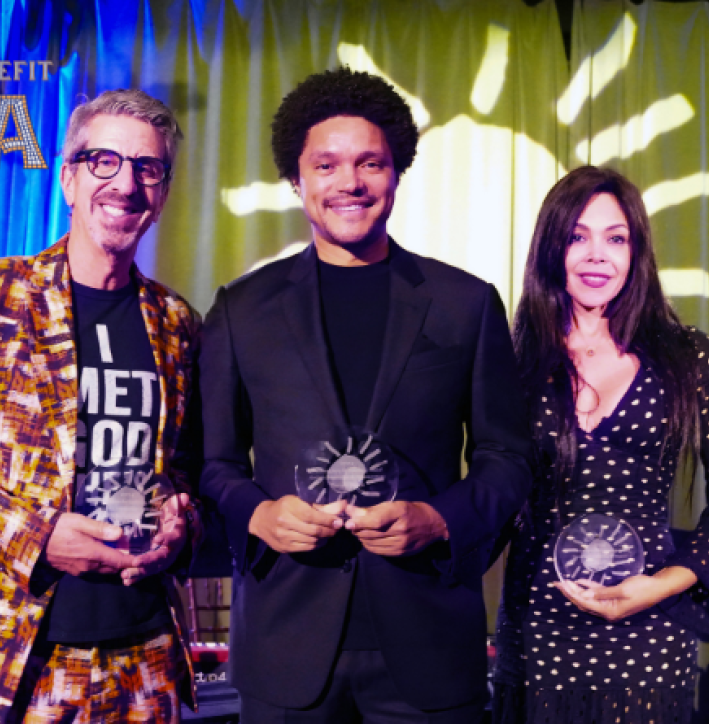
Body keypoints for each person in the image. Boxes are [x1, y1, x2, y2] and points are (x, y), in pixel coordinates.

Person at [198, 66, 534, 723]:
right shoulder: (243, 309)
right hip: (284, 643)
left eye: (369, 163)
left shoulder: (465, 304)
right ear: (296, 180)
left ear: (396, 172)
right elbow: (215, 464)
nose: (348, 183)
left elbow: (507, 459)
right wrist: (260, 516)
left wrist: (440, 521)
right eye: (325, 165)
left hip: (429, 641)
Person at [0, 89, 203, 723]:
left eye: (146, 167)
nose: (125, 183)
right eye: (104, 161)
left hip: (143, 657)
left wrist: (183, 522)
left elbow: (184, 471)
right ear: (68, 178)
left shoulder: (178, 321)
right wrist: (40, 539)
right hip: (6, 653)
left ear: (163, 192)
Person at [492, 166, 709, 723]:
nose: (596, 256)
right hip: (538, 632)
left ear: (637, 253)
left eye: (615, 239)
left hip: (649, 633)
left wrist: (663, 584)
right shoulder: (512, 360)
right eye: (577, 237)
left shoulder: (690, 356)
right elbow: (484, 494)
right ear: (551, 248)